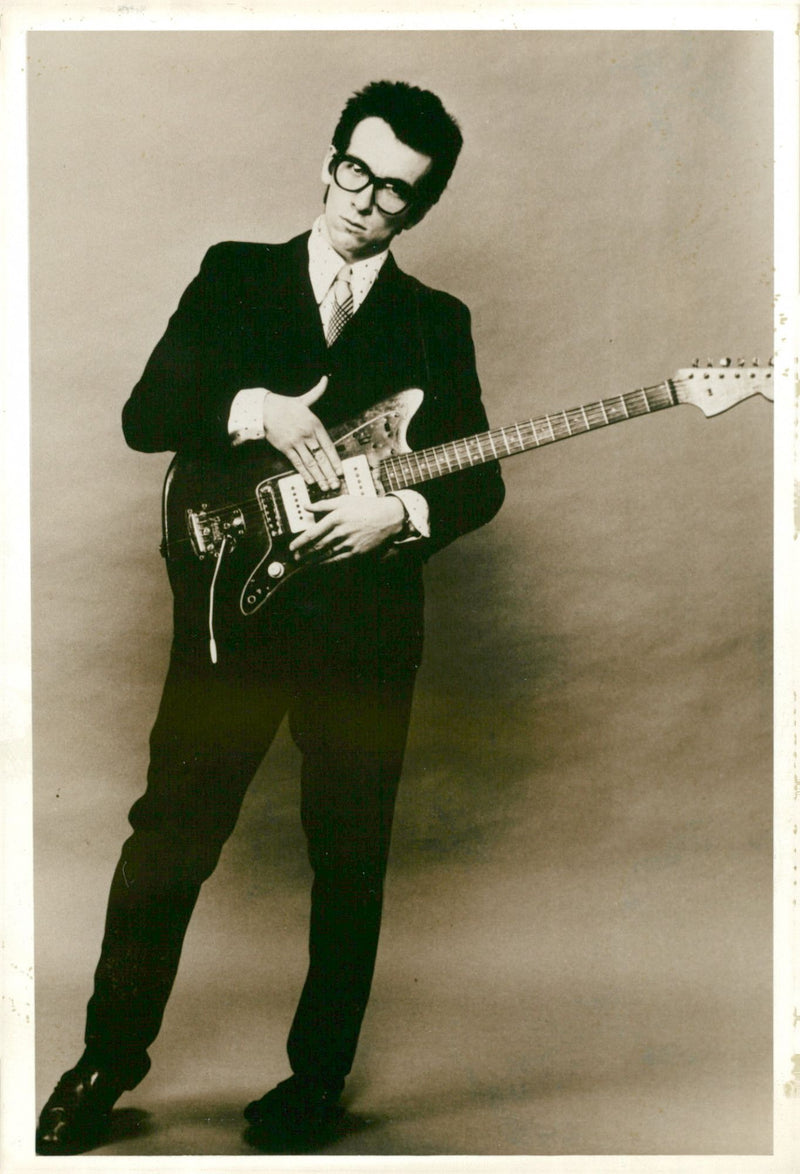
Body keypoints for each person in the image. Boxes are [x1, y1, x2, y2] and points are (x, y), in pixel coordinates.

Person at [36, 79, 505, 1155]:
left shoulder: (438, 324)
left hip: (367, 637)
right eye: (357, 171)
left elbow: (478, 479)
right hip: (229, 628)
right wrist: (254, 406)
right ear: (330, 156)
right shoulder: (235, 275)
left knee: (351, 856)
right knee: (169, 837)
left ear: (418, 209)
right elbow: (145, 416)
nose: (366, 203)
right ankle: (107, 1058)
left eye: (396, 194)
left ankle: (315, 1081)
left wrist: (401, 511)